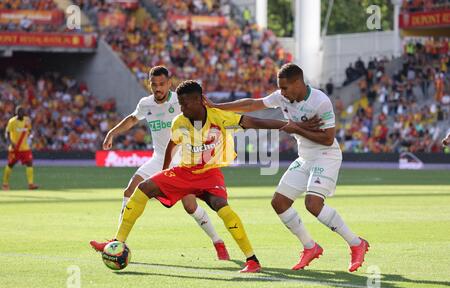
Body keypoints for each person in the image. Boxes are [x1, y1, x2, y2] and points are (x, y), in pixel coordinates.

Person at [90, 80, 319, 273]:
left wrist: (292, 127)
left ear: (200, 100)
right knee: (141, 190)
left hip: (210, 173)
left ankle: (252, 260)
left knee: (223, 209)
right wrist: (164, 171)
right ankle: (118, 241)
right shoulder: (179, 122)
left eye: (186, 103)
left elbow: (255, 122)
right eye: (180, 103)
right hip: (184, 171)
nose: (183, 108)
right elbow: (171, 145)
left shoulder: (219, 116)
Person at [206, 63, 369, 272]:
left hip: (326, 155)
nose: (281, 93)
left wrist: (295, 128)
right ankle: (310, 247)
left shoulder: (320, 101)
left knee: (313, 203)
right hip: (305, 156)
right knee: (279, 202)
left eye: (285, 88)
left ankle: (356, 244)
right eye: (280, 88)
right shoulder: (283, 97)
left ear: (298, 84)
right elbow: (252, 104)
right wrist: (217, 106)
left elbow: (328, 139)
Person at [90, 66, 230, 261]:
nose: (158, 88)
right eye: (154, 84)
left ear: (169, 83)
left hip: (183, 159)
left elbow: (205, 114)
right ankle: (117, 242)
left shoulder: (179, 101)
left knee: (190, 206)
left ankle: (218, 242)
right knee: (129, 191)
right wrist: (112, 132)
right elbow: (132, 119)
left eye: (162, 84)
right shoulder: (146, 104)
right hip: (159, 158)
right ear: (149, 84)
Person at [2, 106, 38, 191]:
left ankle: (31, 184)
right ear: (16, 113)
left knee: (29, 163)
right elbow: (6, 133)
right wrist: (10, 142)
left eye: (22, 112)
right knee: (10, 165)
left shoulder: (27, 120)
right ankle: (5, 184)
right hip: (15, 148)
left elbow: (29, 131)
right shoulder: (12, 121)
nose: (21, 114)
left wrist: (32, 136)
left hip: (25, 148)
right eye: (19, 112)